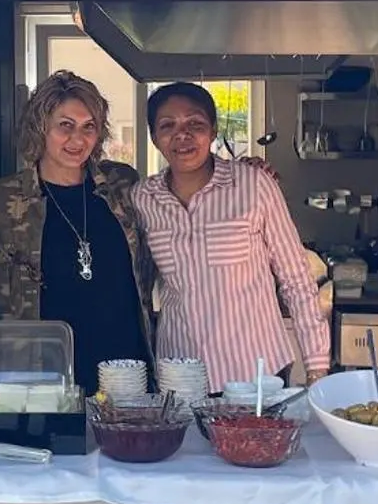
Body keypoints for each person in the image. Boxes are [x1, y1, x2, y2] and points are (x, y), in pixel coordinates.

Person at [134, 82, 330, 388]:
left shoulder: (254, 185)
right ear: (154, 137)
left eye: (195, 124)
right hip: (181, 374)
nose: (182, 135)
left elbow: (296, 279)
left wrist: (317, 368)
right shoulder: (142, 198)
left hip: (256, 372)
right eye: (167, 125)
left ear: (213, 131)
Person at [0, 72, 154, 391]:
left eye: (89, 126)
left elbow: (175, 193)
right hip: (41, 375)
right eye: (65, 125)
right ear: (40, 127)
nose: (78, 139)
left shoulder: (122, 185)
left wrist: (247, 170)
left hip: (125, 370)